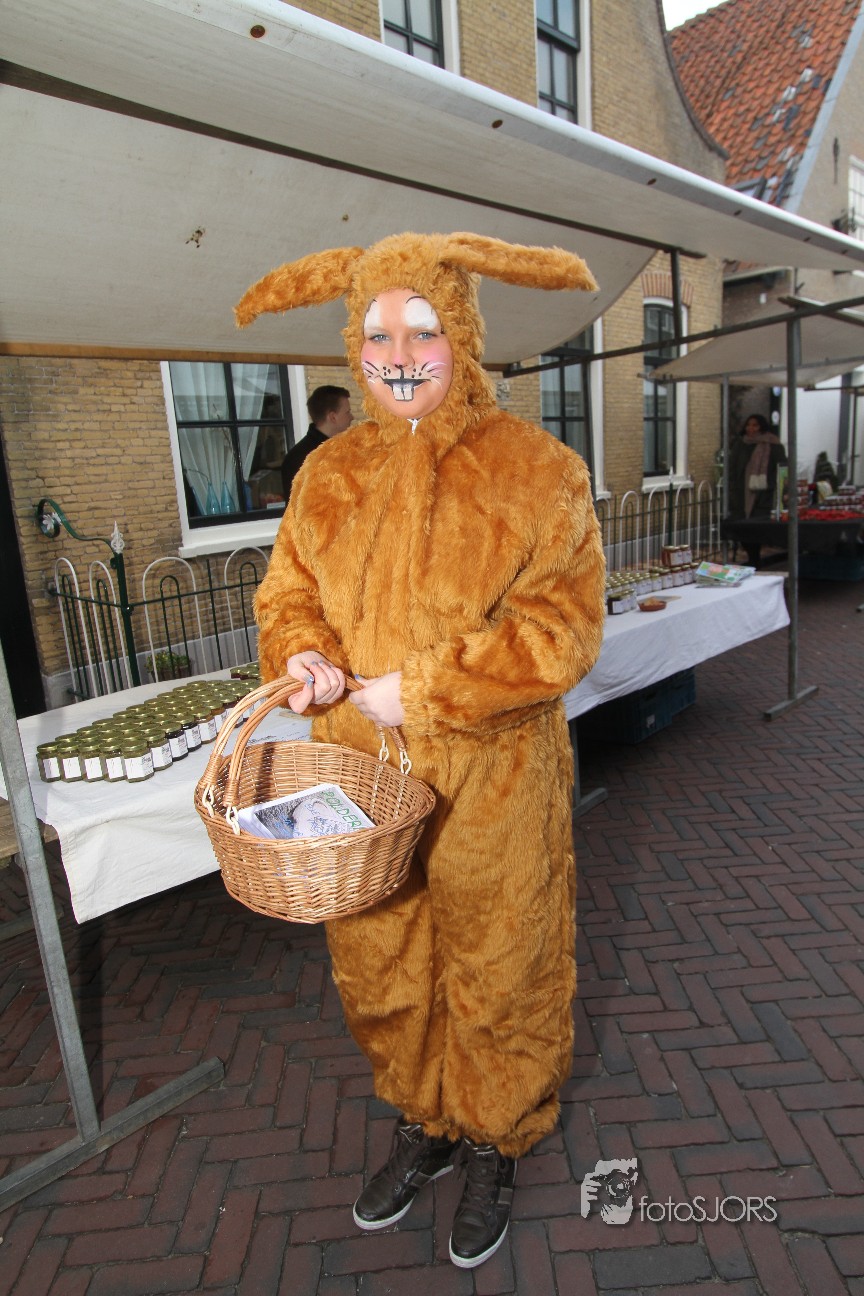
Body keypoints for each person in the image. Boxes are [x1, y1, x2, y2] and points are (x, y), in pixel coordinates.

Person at [235, 232, 606, 1270]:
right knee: (382, 959)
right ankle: (425, 1117)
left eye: (423, 330)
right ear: (353, 347)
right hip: (359, 773)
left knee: (504, 956)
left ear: (464, 335)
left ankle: (495, 1133)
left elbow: (562, 630)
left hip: (495, 777)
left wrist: (430, 689)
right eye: (377, 333)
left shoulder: (539, 471)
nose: (399, 355)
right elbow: (286, 596)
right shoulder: (326, 475)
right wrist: (303, 656)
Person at [727, 413, 788, 566]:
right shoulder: (740, 445)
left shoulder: (773, 445)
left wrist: (778, 489)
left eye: (755, 425)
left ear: (762, 427)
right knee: (743, 528)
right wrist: (733, 490)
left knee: (757, 528)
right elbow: (732, 469)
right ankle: (753, 558)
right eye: (748, 425)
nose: (751, 428)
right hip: (742, 495)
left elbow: (782, 469)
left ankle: (756, 559)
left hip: (764, 495)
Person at [280, 384, 352, 500]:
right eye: (347, 412)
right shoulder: (302, 459)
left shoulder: (341, 450)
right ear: (333, 417)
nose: (352, 417)